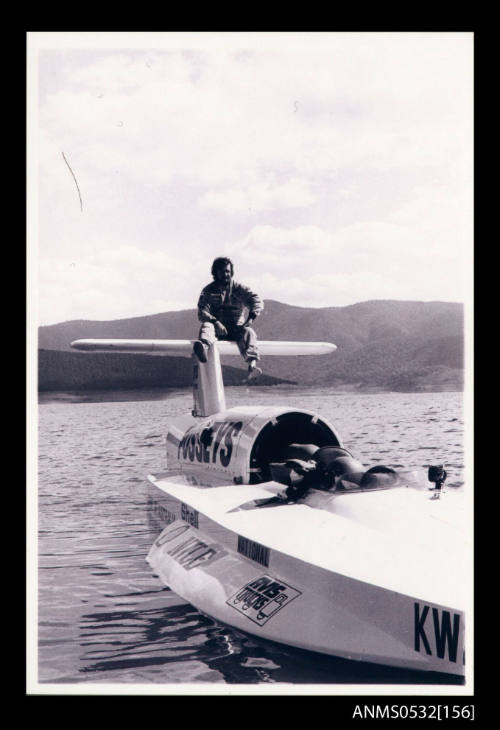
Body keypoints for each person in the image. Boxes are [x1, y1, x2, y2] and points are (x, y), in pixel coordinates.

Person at [193, 257, 264, 380]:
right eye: (222, 271)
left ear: (231, 272)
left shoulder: (239, 289)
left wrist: (251, 317)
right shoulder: (208, 291)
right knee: (206, 326)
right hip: (216, 330)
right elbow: (202, 312)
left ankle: (252, 366)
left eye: (228, 271)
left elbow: (256, 300)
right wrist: (215, 322)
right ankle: (203, 348)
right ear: (215, 273)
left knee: (249, 333)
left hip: (236, 329)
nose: (226, 274)